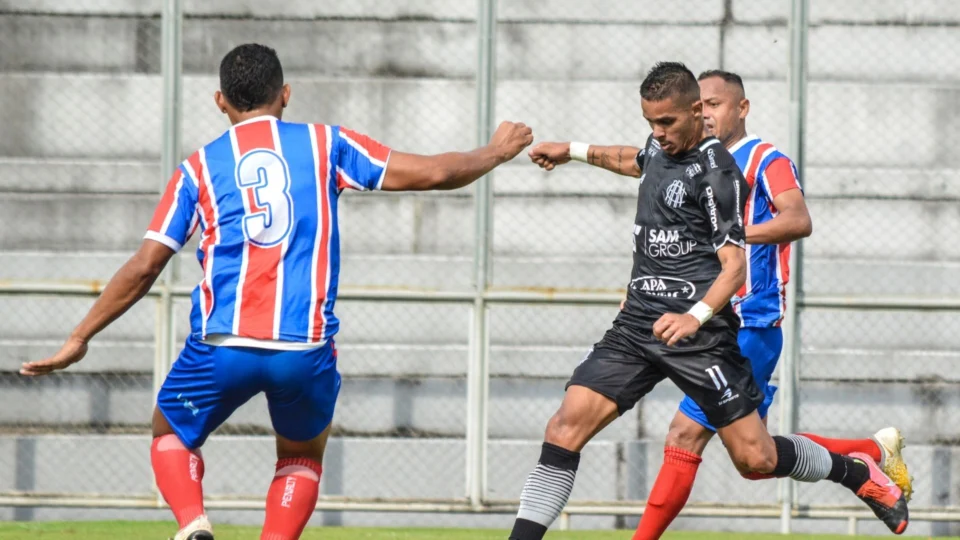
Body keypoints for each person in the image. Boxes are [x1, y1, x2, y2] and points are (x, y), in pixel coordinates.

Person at [19, 43, 533, 540]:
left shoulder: (198, 169)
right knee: (301, 455)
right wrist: (494, 152)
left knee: (170, 433)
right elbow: (435, 173)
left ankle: (193, 524)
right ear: (285, 94)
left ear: (220, 101)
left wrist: (80, 336)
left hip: (223, 345)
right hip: (303, 348)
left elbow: (145, 266)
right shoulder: (326, 144)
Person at [510, 62, 908, 540]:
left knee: (754, 458)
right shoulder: (661, 147)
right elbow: (633, 158)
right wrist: (572, 150)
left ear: (708, 109)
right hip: (639, 324)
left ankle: (854, 470)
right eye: (651, 123)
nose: (657, 133)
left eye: (667, 122)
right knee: (564, 428)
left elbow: (743, 259)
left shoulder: (731, 169)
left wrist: (697, 307)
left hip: (712, 330)